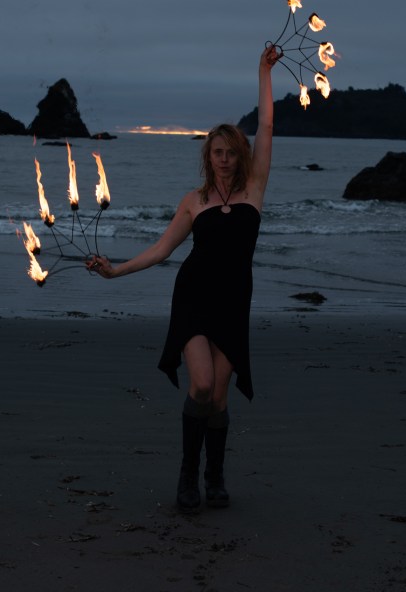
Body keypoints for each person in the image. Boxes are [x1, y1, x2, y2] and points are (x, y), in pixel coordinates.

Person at [87, 44, 280, 513]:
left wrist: (263, 71)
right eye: (217, 153)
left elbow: (268, 125)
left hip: (233, 300)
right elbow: (162, 249)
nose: (224, 160)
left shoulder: (255, 189)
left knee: (219, 395)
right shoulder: (193, 201)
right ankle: (188, 475)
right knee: (201, 384)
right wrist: (115, 271)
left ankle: (215, 476)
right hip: (193, 296)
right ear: (208, 157)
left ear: (240, 155)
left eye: (230, 153)